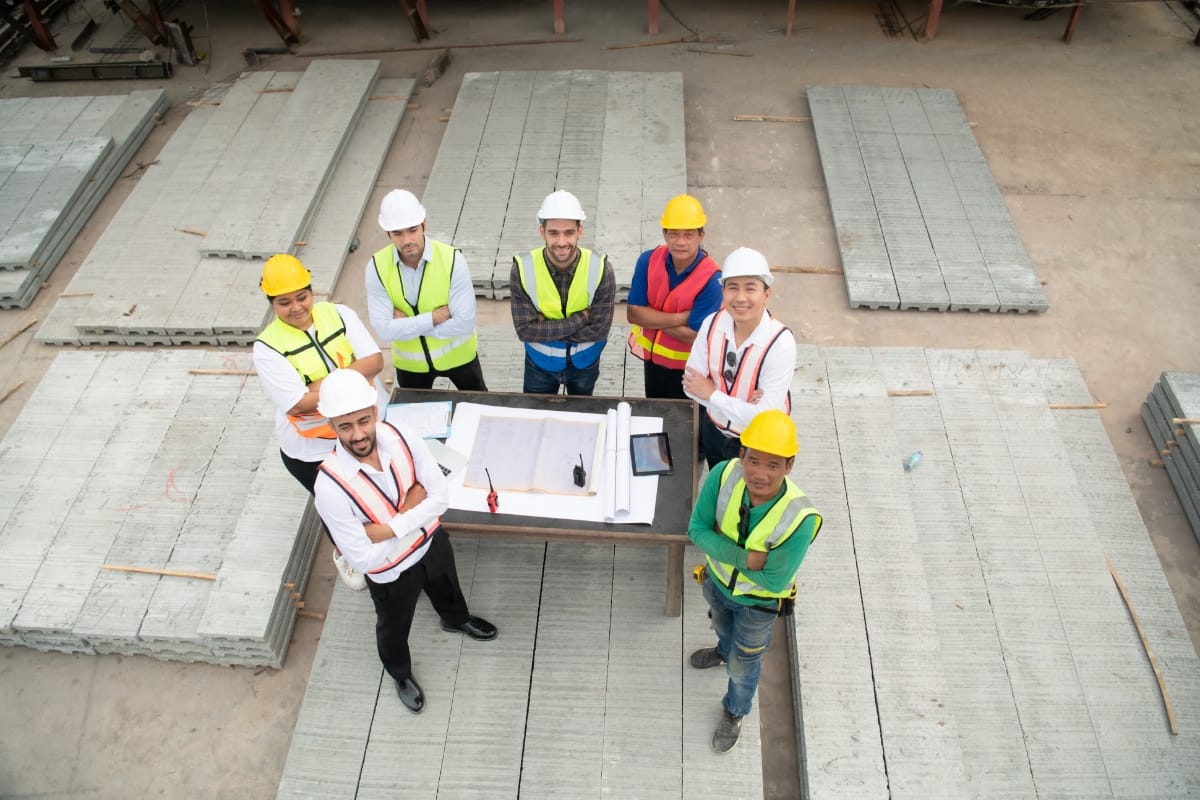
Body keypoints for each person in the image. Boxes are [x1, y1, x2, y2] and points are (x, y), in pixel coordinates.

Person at [312, 369, 498, 714]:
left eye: (363, 421)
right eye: (345, 426)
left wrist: (385, 528)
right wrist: (413, 508)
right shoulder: (329, 487)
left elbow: (440, 498)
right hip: (391, 575)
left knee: (448, 588)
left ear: (374, 411)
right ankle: (400, 672)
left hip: (430, 545)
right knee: (393, 627)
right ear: (332, 425)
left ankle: (455, 619)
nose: (357, 435)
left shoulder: (401, 435)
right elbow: (365, 560)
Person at [687, 409, 821, 753]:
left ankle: (735, 710)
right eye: (754, 460)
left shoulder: (800, 518)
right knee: (721, 626)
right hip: (716, 584)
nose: (760, 474)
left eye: (773, 465)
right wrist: (747, 558)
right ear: (741, 454)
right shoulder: (722, 476)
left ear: (789, 466)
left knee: (744, 665)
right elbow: (695, 530)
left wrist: (719, 545)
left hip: (758, 605)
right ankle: (722, 648)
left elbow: (774, 579)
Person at [252, 253, 386, 591]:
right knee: (335, 506)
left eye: (302, 297)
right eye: (284, 302)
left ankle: (377, 539)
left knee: (371, 491)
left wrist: (322, 386)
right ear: (271, 303)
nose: (296, 307)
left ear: (312, 291)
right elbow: (297, 403)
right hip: (312, 450)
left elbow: (375, 361)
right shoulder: (268, 348)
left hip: (358, 432)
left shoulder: (338, 314)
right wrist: (347, 380)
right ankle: (345, 553)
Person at [683, 247, 796, 470]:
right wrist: (744, 406)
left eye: (750, 288)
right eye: (732, 288)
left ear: (766, 294)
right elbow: (690, 385)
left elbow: (762, 418)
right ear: (723, 292)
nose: (740, 298)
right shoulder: (712, 324)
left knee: (750, 495)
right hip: (714, 430)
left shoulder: (780, 343)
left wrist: (713, 394)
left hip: (758, 444)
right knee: (719, 480)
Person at [365, 188, 487, 391]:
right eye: (398, 233)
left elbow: (465, 323)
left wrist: (407, 326)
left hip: (460, 359)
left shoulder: (452, 259)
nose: (407, 240)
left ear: (424, 224)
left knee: (480, 408)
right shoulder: (376, 267)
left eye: (412, 230)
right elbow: (384, 330)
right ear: (388, 233)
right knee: (412, 420)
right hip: (411, 367)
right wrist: (435, 317)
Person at [510, 189, 615, 396]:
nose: (561, 242)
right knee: (535, 416)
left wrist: (544, 326)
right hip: (539, 366)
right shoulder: (523, 268)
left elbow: (600, 330)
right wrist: (582, 318)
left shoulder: (601, 268)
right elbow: (525, 331)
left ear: (580, 232)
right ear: (542, 232)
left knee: (581, 418)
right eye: (553, 233)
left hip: (585, 364)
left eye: (569, 232)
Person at [626, 195, 723, 399]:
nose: (680, 242)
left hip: (690, 372)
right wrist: (680, 318)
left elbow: (695, 335)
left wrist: (652, 319)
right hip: (652, 363)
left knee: (684, 421)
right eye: (674, 234)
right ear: (664, 234)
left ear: (701, 235)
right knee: (655, 410)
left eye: (688, 235)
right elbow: (634, 314)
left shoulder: (712, 280)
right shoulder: (648, 261)